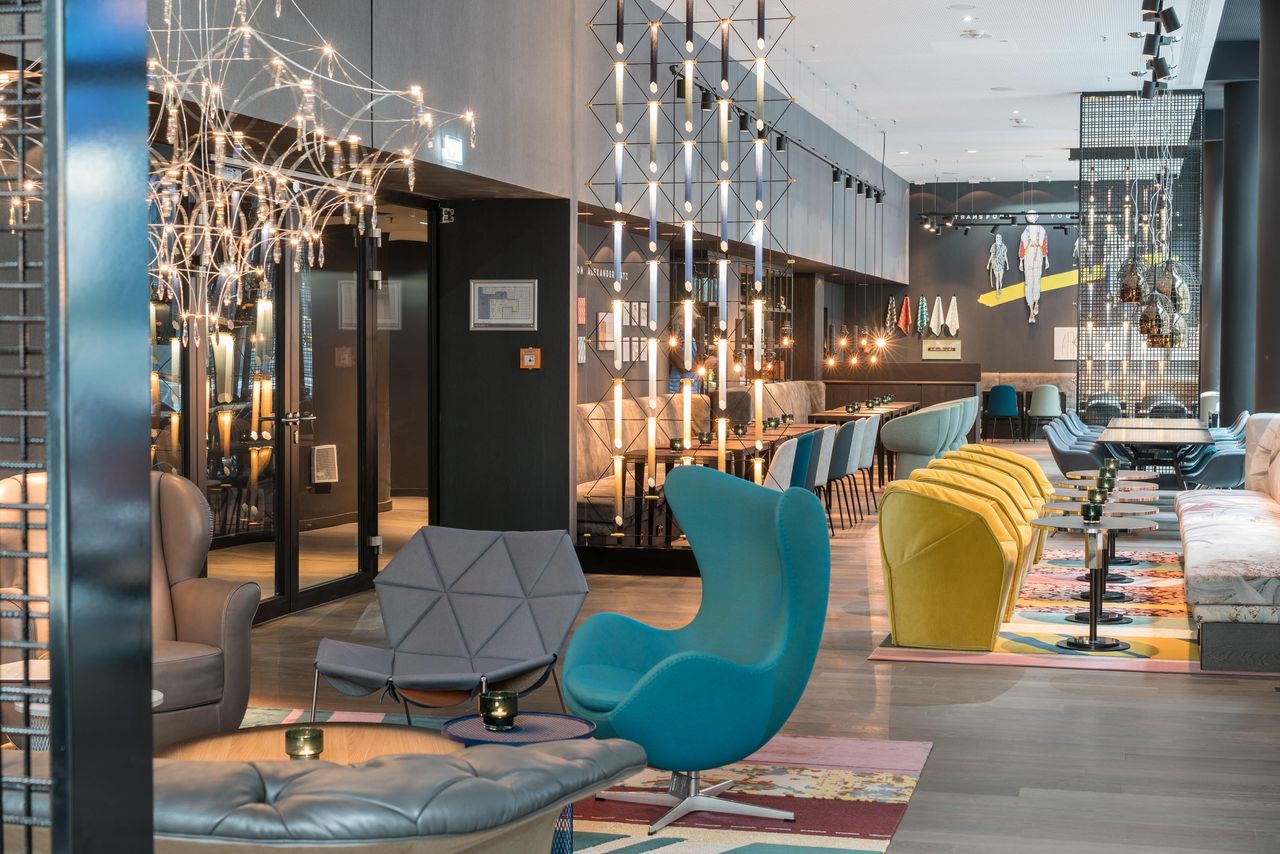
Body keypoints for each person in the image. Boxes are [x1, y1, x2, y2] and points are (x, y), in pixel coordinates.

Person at [1019, 211, 1049, 324]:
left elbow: (1045, 245)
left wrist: (1046, 259)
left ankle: (1036, 302)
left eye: (1033, 215)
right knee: (1028, 282)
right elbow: (1022, 246)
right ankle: (1031, 310)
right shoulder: (1025, 232)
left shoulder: (1041, 230)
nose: (1031, 217)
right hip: (1028, 256)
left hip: (1038, 255)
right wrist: (1021, 261)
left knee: (1037, 279)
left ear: (1036, 217)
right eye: (1029, 216)